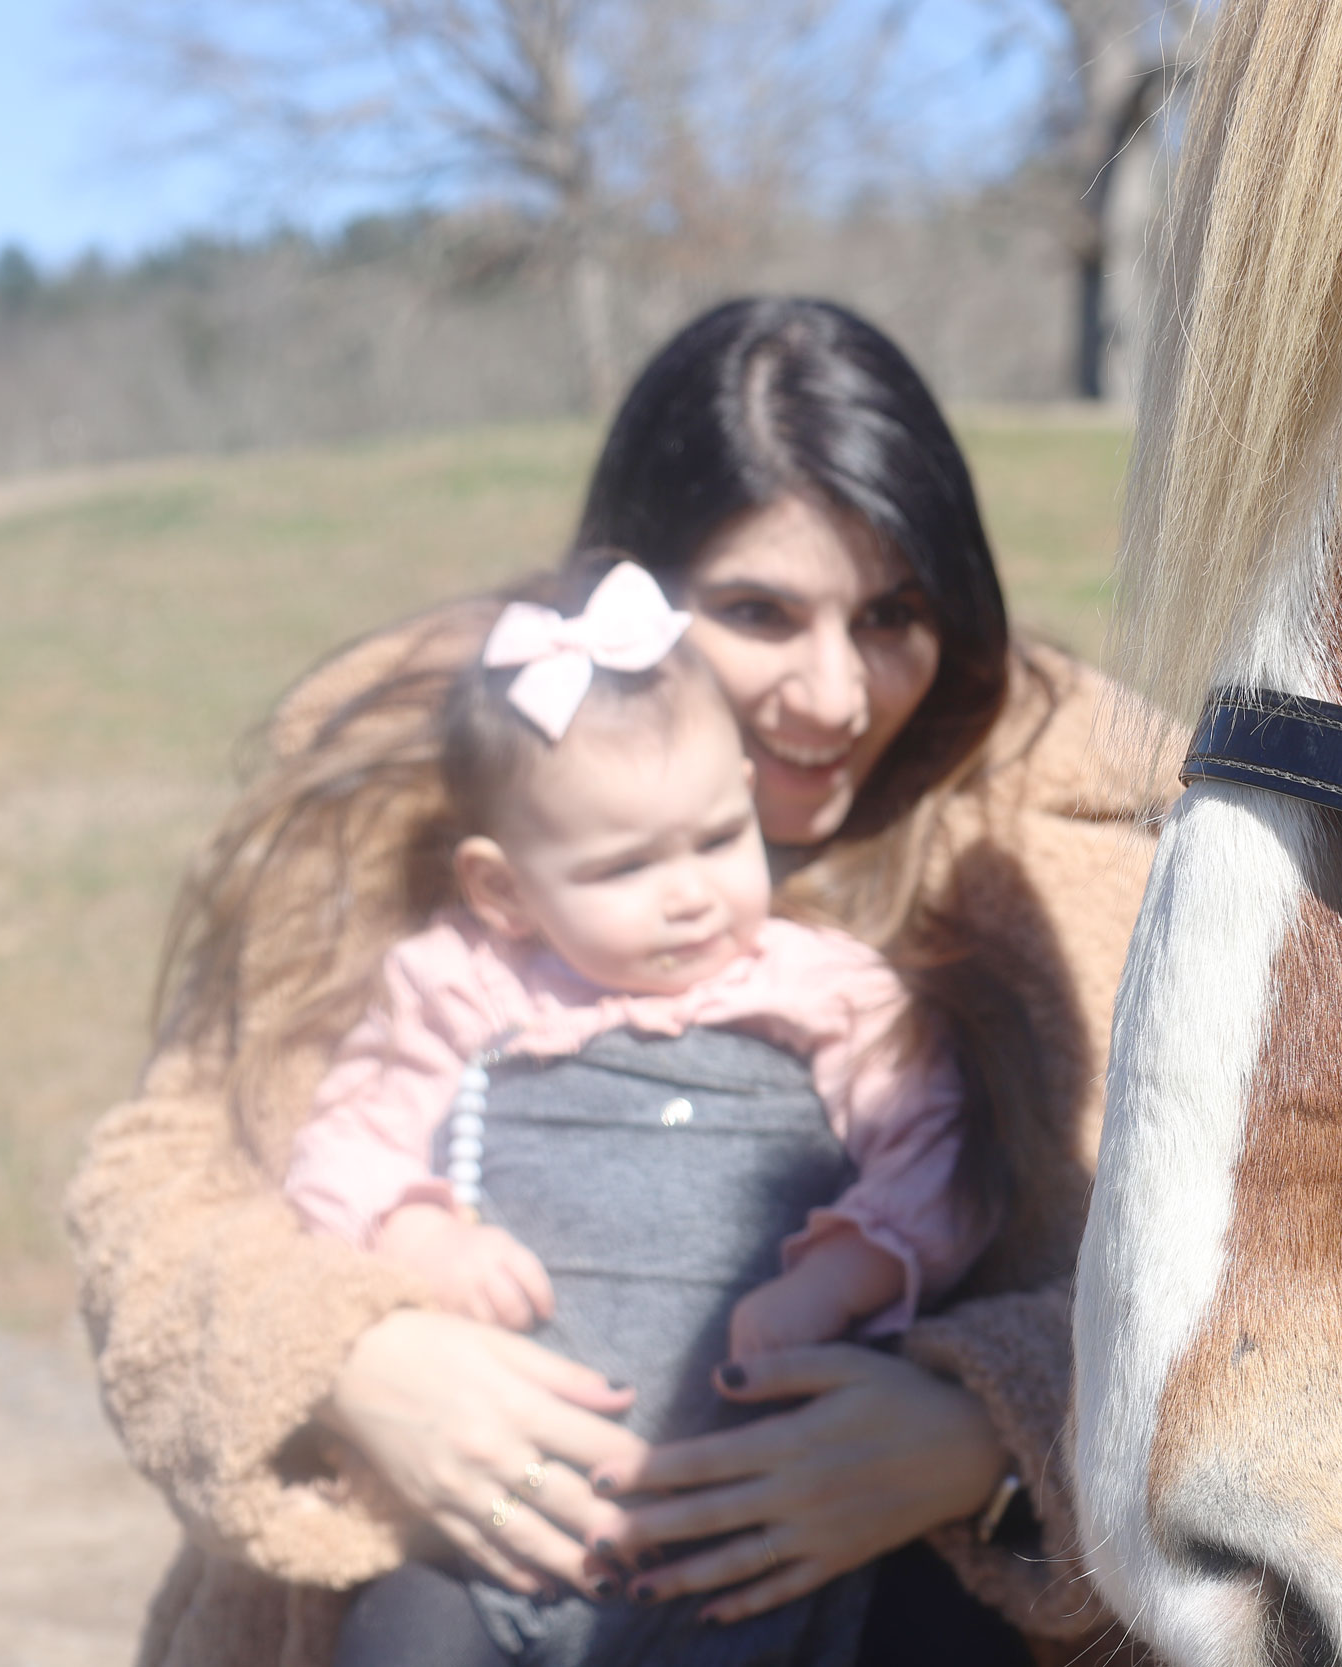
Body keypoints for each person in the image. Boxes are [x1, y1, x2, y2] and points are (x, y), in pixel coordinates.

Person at [68, 297, 1166, 1667]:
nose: (834, 695)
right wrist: (353, 1357)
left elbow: (1258, 1302)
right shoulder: (417, 820)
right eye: (761, 610)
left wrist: (987, 1427)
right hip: (462, 1591)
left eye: (892, 613)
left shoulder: (1073, 865)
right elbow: (159, 1186)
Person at [290, 560, 982, 1667]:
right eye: (624, 864)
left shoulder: (819, 986)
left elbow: (933, 1145)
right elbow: (340, 1148)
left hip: (781, 1516)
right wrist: (418, 1234)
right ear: (504, 888)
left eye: (717, 837)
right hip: (512, 1520)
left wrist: (839, 1273)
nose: (690, 892)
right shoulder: (462, 984)